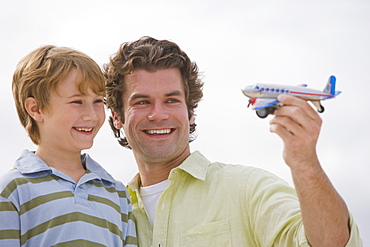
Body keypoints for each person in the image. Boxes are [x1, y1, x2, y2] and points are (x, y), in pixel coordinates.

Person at [104, 36, 362, 246]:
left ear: (191, 112)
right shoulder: (109, 213)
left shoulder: (248, 189)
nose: (158, 114)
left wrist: (305, 163)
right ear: (117, 117)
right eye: (142, 101)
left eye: (172, 100)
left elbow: (332, 243)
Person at [0, 45, 137, 246]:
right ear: (36, 109)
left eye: (98, 101)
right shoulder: (13, 190)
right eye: (77, 102)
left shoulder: (117, 194)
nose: (91, 115)